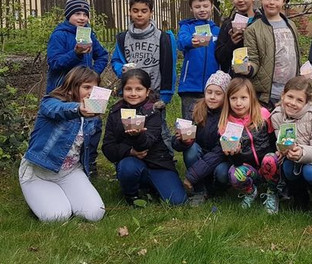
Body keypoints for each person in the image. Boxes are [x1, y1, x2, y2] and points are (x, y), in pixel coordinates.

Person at [19, 66, 105, 223]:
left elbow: (90, 150)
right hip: (39, 172)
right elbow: (57, 110)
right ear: (71, 88)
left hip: (70, 172)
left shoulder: (94, 117)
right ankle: (41, 197)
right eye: (86, 87)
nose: (91, 93)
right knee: (58, 217)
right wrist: (78, 109)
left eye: (95, 88)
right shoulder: (50, 102)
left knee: (95, 213)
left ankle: (59, 196)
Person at [188, 77, 278, 213]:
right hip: (248, 167)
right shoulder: (226, 123)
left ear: (251, 98)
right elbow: (233, 160)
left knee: (271, 159)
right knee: (234, 173)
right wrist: (234, 154)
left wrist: (277, 154)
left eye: (243, 98)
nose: (238, 103)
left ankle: (272, 192)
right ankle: (250, 191)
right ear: (228, 100)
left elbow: (273, 139)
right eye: (234, 98)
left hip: (267, 163)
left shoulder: (263, 114)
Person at [102, 69, 187, 206]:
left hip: (158, 163)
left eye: (139, 89)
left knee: (178, 201)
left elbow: (147, 143)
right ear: (122, 91)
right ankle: (132, 195)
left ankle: (153, 185)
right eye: (128, 89)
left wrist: (137, 135)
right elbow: (107, 147)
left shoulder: (154, 111)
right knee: (128, 167)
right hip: (131, 162)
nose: (133, 93)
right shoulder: (115, 112)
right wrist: (129, 151)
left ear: (147, 92)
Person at [111, 0, 177, 152]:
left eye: (144, 11)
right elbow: (116, 60)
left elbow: (170, 66)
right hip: (131, 93)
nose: (139, 14)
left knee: (159, 129)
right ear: (130, 11)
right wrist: (122, 70)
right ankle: (129, 155)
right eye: (135, 10)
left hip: (154, 94)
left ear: (151, 12)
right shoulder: (123, 38)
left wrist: (166, 95)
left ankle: (166, 156)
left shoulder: (163, 38)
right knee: (130, 127)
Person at [270, 76, 312, 209]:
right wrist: (282, 150)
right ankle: (299, 196)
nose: (293, 103)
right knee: (287, 167)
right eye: (290, 97)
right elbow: (280, 139)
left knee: (310, 172)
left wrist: (302, 152)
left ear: (307, 102)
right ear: (283, 95)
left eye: (299, 100)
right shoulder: (276, 116)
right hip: (292, 158)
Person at [243, 0, 301, 107]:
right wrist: (247, 68)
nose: (271, 2)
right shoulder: (253, 29)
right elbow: (253, 60)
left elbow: (296, 56)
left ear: (284, 1)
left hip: (291, 93)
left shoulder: (291, 25)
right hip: (267, 96)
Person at [176, 70, 231, 205]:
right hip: (200, 154)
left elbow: (220, 152)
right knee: (191, 149)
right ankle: (199, 189)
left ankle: (217, 189)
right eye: (209, 92)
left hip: (220, 158)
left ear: (226, 96)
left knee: (222, 172)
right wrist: (181, 141)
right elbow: (175, 145)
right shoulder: (194, 109)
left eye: (218, 93)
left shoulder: (230, 116)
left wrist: (191, 176)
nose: (212, 97)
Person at [45, 0, 108, 94]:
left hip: (85, 90)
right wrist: (76, 54)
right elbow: (54, 63)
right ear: (68, 15)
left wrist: (92, 74)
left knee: (93, 104)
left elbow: (102, 56)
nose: (82, 18)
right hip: (63, 90)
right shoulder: (59, 35)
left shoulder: (89, 34)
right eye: (77, 14)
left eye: (85, 14)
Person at [177, 0, 220, 120]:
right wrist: (191, 41)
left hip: (213, 87)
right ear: (191, 8)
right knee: (189, 123)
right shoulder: (187, 27)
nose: (202, 9)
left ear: (211, 7)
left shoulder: (217, 31)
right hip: (190, 86)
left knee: (210, 122)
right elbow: (181, 42)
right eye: (197, 6)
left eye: (205, 6)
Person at [215, 0, 261, 74]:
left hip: (257, 78)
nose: (240, 0)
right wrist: (231, 43)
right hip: (234, 78)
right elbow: (219, 57)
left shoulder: (261, 23)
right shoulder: (227, 25)